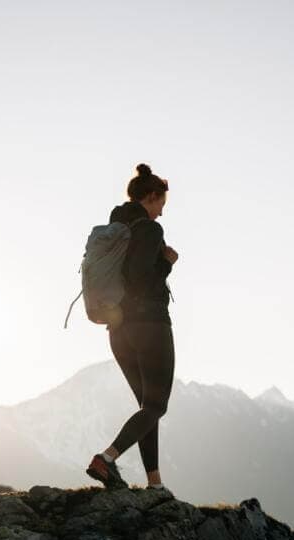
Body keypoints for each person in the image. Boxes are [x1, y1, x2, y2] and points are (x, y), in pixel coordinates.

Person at [86, 163, 178, 492]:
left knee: (147, 407)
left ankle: (155, 484)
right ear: (151, 197)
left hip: (118, 330)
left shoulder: (115, 228)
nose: (161, 215)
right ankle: (106, 459)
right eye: (161, 205)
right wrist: (166, 263)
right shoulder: (149, 230)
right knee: (156, 406)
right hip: (149, 325)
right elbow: (140, 280)